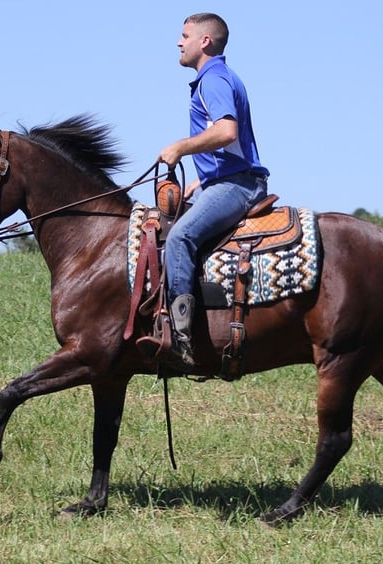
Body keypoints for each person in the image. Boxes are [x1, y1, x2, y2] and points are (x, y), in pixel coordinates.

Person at [158, 13, 270, 370]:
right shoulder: (216, 78)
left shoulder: (214, 80)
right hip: (226, 181)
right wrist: (203, 181)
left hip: (238, 186)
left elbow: (226, 132)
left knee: (180, 238)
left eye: (185, 35)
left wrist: (180, 147)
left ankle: (181, 338)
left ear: (204, 42)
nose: (179, 42)